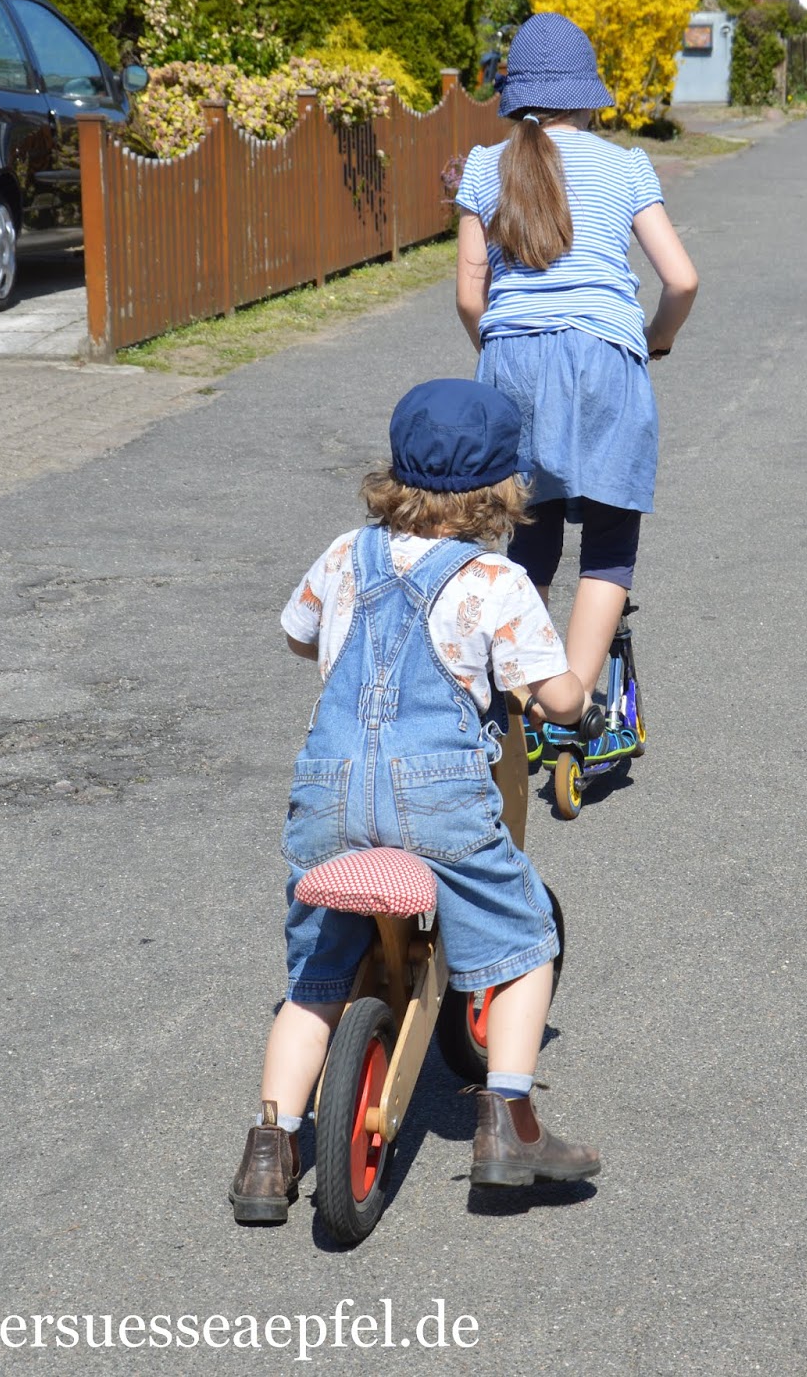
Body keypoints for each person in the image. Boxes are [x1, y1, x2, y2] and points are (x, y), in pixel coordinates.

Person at [229, 379, 601, 1224]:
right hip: (437, 803)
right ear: (505, 491)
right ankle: (509, 1121)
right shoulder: (495, 583)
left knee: (314, 980)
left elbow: (296, 634)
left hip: (326, 798)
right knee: (522, 938)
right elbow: (554, 694)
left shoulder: (343, 552)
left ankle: (270, 1146)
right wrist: (569, 689)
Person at [454, 12, 699, 766]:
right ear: (586, 97)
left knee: (533, 531)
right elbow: (682, 277)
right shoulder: (624, 167)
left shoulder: (482, 167)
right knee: (610, 538)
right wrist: (657, 336)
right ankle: (573, 702)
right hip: (603, 358)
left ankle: (518, 696)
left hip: (513, 362)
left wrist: (500, 354)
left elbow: (471, 297)